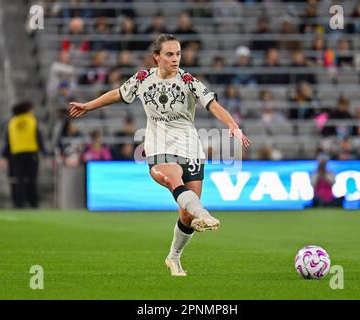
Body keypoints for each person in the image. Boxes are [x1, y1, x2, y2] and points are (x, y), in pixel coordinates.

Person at [69, 34, 250, 276]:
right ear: (157, 57)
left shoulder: (188, 80)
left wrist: (233, 126)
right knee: (176, 182)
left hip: (190, 148)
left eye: (178, 54)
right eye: (169, 54)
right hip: (158, 146)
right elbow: (117, 94)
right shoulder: (143, 78)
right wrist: (88, 105)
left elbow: (213, 105)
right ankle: (204, 213)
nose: (175, 58)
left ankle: (174, 258)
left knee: (186, 213)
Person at [1, 101, 47, 208]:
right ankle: (33, 203)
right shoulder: (31, 120)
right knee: (32, 179)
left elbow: (8, 140)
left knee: (19, 180)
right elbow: (38, 137)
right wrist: (44, 152)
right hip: (31, 153)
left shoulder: (12, 122)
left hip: (16, 154)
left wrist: (3, 156)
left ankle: (19, 204)